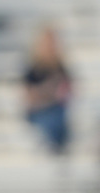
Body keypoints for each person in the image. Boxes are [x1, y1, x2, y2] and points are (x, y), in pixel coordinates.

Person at [22, 25, 73, 155]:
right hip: (40, 114)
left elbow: (68, 91)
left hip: (58, 112)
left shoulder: (61, 67)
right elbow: (29, 97)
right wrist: (49, 91)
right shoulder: (33, 68)